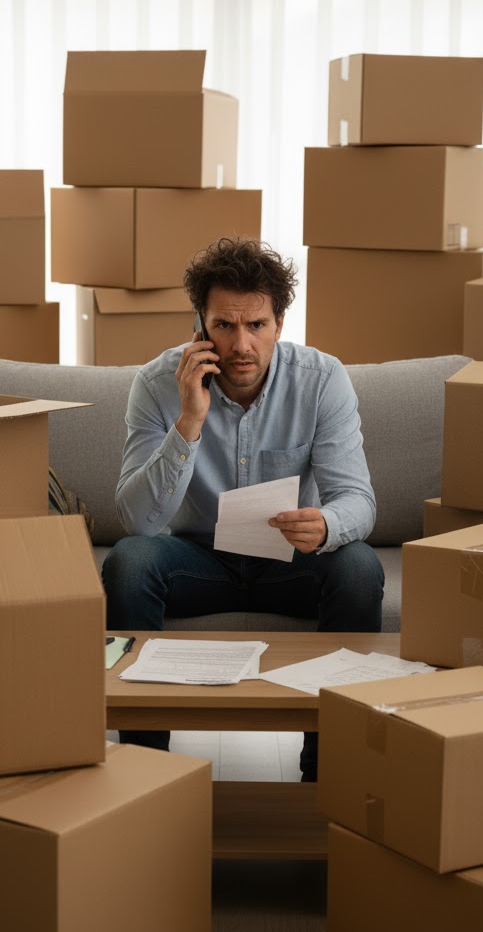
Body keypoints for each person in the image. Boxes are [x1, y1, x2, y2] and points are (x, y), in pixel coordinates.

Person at [102, 237, 384, 782]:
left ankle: (329, 774)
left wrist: (326, 524)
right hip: (195, 560)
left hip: (290, 560)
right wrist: (189, 420)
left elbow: (359, 501)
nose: (241, 345)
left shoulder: (322, 381)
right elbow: (137, 523)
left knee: (359, 567)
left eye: (256, 325)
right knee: (129, 562)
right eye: (224, 326)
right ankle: (143, 774)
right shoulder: (159, 384)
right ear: (199, 327)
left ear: (279, 322)